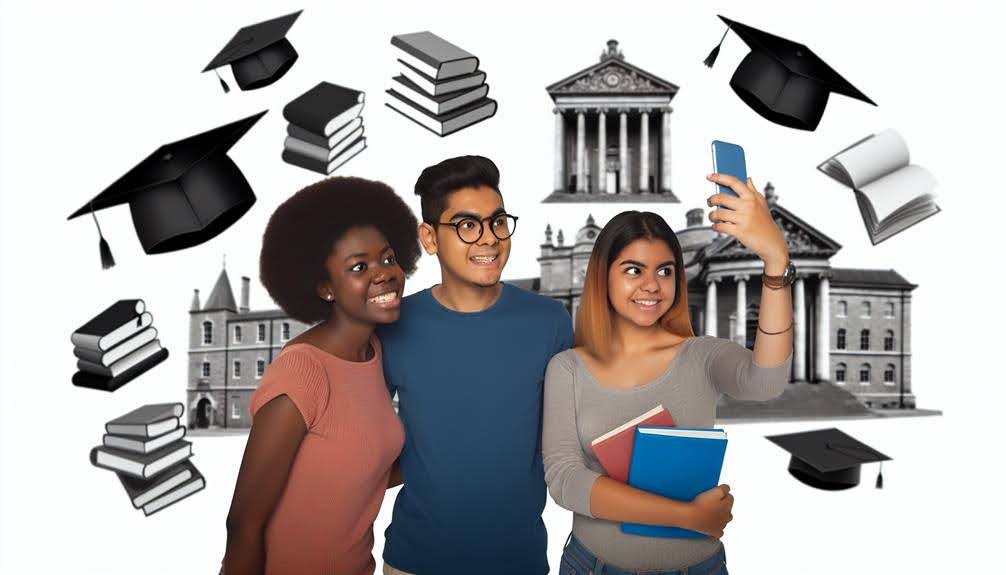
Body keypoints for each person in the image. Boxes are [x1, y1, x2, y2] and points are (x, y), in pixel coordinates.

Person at [543, 173, 795, 575]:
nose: (652, 286)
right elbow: (564, 480)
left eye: (665, 271)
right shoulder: (567, 368)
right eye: (633, 270)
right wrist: (685, 516)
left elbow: (766, 382)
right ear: (602, 276)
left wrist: (776, 262)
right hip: (592, 567)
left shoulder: (702, 355)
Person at [377, 156, 573, 575]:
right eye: (467, 225)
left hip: (518, 561)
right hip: (415, 561)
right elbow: (363, 443)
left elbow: (568, 438)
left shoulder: (550, 321)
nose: (489, 239)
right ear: (429, 238)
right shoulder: (393, 327)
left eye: (497, 222)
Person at [222, 177, 421, 575]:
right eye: (359, 267)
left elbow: (361, 473)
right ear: (326, 287)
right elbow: (244, 524)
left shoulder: (376, 353)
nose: (384, 274)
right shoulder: (302, 371)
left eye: (388, 257)